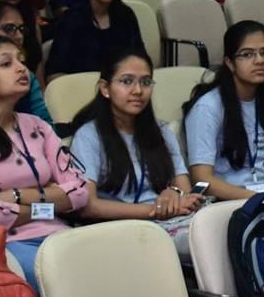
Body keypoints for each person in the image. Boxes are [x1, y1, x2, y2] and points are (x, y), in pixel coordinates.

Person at [0, 36, 92, 285]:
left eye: (21, 61)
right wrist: (52, 200)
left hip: (58, 234)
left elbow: (80, 191)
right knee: (65, 279)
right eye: (6, 64)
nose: (21, 68)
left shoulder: (38, 127)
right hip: (6, 244)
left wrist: (15, 196)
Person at [69, 50, 205, 237]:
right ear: (105, 88)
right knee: (205, 241)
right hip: (120, 230)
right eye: (126, 81)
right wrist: (155, 209)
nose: (138, 90)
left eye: (146, 82)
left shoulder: (161, 130)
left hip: (169, 221)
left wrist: (173, 193)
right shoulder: (89, 136)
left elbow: (184, 188)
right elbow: (88, 206)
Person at [184, 21, 264, 208]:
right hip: (230, 204)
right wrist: (258, 199)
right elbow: (202, 178)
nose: (260, 60)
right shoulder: (208, 107)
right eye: (247, 54)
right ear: (229, 63)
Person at [46, 0, 144, 79]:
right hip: (79, 87)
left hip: (121, 87)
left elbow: (140, 58)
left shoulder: (126, 15)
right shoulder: (71, 18)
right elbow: (54, 70)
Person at [0, 0, 52, 123]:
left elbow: (45, 124)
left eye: (21, 29)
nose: (19, 36)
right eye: (9, 28)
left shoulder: (27, 76)